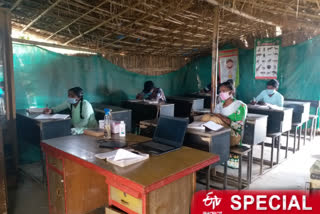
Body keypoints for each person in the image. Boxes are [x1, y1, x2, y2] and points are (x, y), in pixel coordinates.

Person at [201, 81, 247, 168]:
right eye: (220, 91)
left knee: (214, 119)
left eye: (224, 91)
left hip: (234, 135)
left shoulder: (240, 106)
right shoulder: (219, 105)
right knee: (205, 117)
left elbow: (239, 127)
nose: (221, 93)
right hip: (219, 134)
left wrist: (222, 117)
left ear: (231, 92)